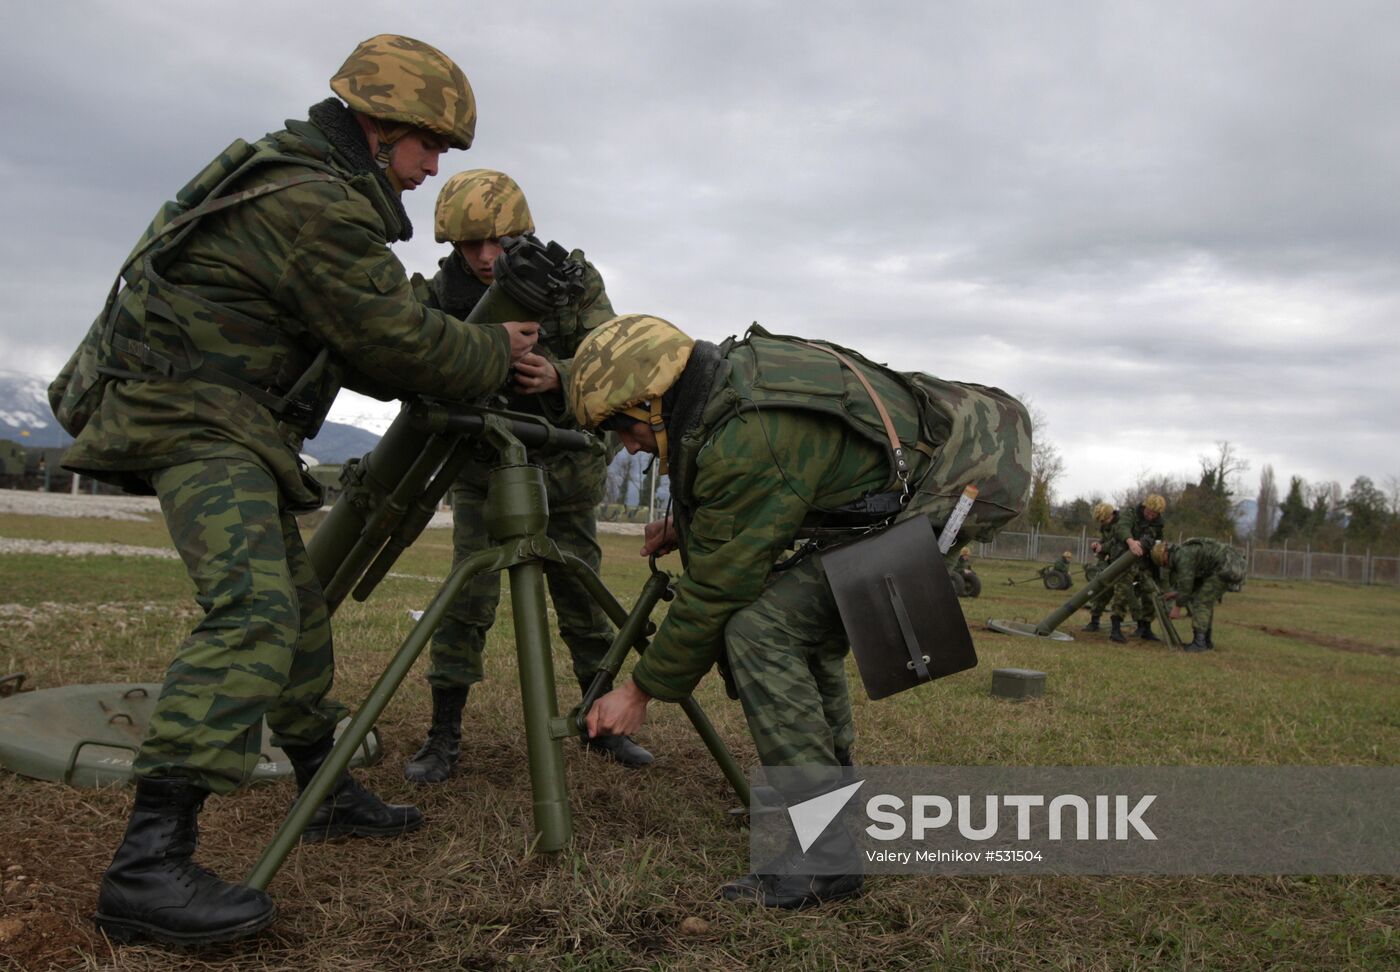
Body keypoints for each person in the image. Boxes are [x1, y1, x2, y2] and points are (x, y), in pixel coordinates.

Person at [48, 35, 539, 947]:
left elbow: (377, 316)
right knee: (253, 616)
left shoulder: (313, 184)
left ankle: (323, 788)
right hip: (196, 418)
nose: (432, 168)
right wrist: (492, 350)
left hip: (225, 419)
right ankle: (148, 866)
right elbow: (391, 347)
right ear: (382, 124)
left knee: (297, 613)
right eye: (429, 145)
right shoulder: (318, 202)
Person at [566, 315, 1031, 909]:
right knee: (800, 630)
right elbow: (782, 493)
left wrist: (639, 691)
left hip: (957, 492)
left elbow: (718, 589)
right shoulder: (722, 393)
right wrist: (690, 526)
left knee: (759, 627)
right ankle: (829, 809)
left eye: (622, 427)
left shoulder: (748, 431)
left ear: (654, 400)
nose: (626, 445)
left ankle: (828, 857)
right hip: (927, 477)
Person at [402, 169, 652, 785]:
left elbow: (610, 356)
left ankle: (599, 723)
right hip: (485, 470)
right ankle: (443, 735)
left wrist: (559, 377)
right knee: (465, 604)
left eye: (499, 241)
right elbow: (411, 364)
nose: (486, 257)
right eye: (470, 246)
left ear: (523, 233)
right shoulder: (438, 297)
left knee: (584, 600)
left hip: (566, 468)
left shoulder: (570, 281)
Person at [1152, 539, 1246, 651]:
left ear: (1164, 555)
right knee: (1205, 601)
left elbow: (1186, 585)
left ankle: (1199, 643)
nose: (1165, 566)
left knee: (1201, 602)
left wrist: (1177, 607)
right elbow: (1194, 583)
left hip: (1225, 568)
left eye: (1163, 563)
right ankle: (1206, 641)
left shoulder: (1182, 557)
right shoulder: (1184, 552)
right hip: (1229, 566)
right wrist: (1176, 594)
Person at [1096, 494, 1166, 643]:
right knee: (1122, 592)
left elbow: (1159, 540)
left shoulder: (1158, 523)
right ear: (1144, 507)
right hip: (1124, 558)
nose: (1150, 516)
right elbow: (1122, 528)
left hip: (1145, 562)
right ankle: (1115, 630)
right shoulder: (1131, 514)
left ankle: (1146, 628)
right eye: (1148, 512)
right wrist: (1131, 542)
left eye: (1154, 514)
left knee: (1151, 593)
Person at [1081, 502, 1117, 631]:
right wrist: (1098, 545)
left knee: (1123, 596)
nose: (1104, 523)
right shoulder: (1106, 527)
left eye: (1105, 519)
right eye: (1101, 521)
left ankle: (1141, 627)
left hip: (1123, 564)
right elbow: (1106, 542)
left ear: (1112, 514)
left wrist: (1104, 547)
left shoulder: (1121, 525)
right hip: (1110, 563)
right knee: (1101, 591)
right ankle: (1094, 621)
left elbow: (1118, 542)